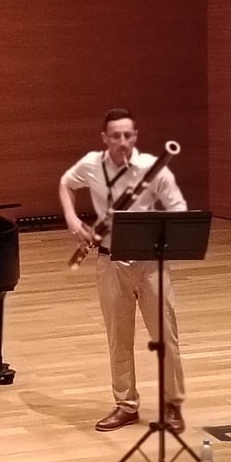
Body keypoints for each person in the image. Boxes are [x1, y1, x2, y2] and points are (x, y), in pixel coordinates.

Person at [58, 108, 187, 433]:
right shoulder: (91, 165)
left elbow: (178, 210)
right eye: (116, 135)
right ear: (105, 138)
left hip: (151, 264)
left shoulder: (152, 168)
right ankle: (126, 404)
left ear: (135, 136)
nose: (122, 141)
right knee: (119, 339)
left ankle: (172, 406)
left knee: (166, 337)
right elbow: (65, 183)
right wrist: (72, 218)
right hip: (110, 263)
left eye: (128, 135)